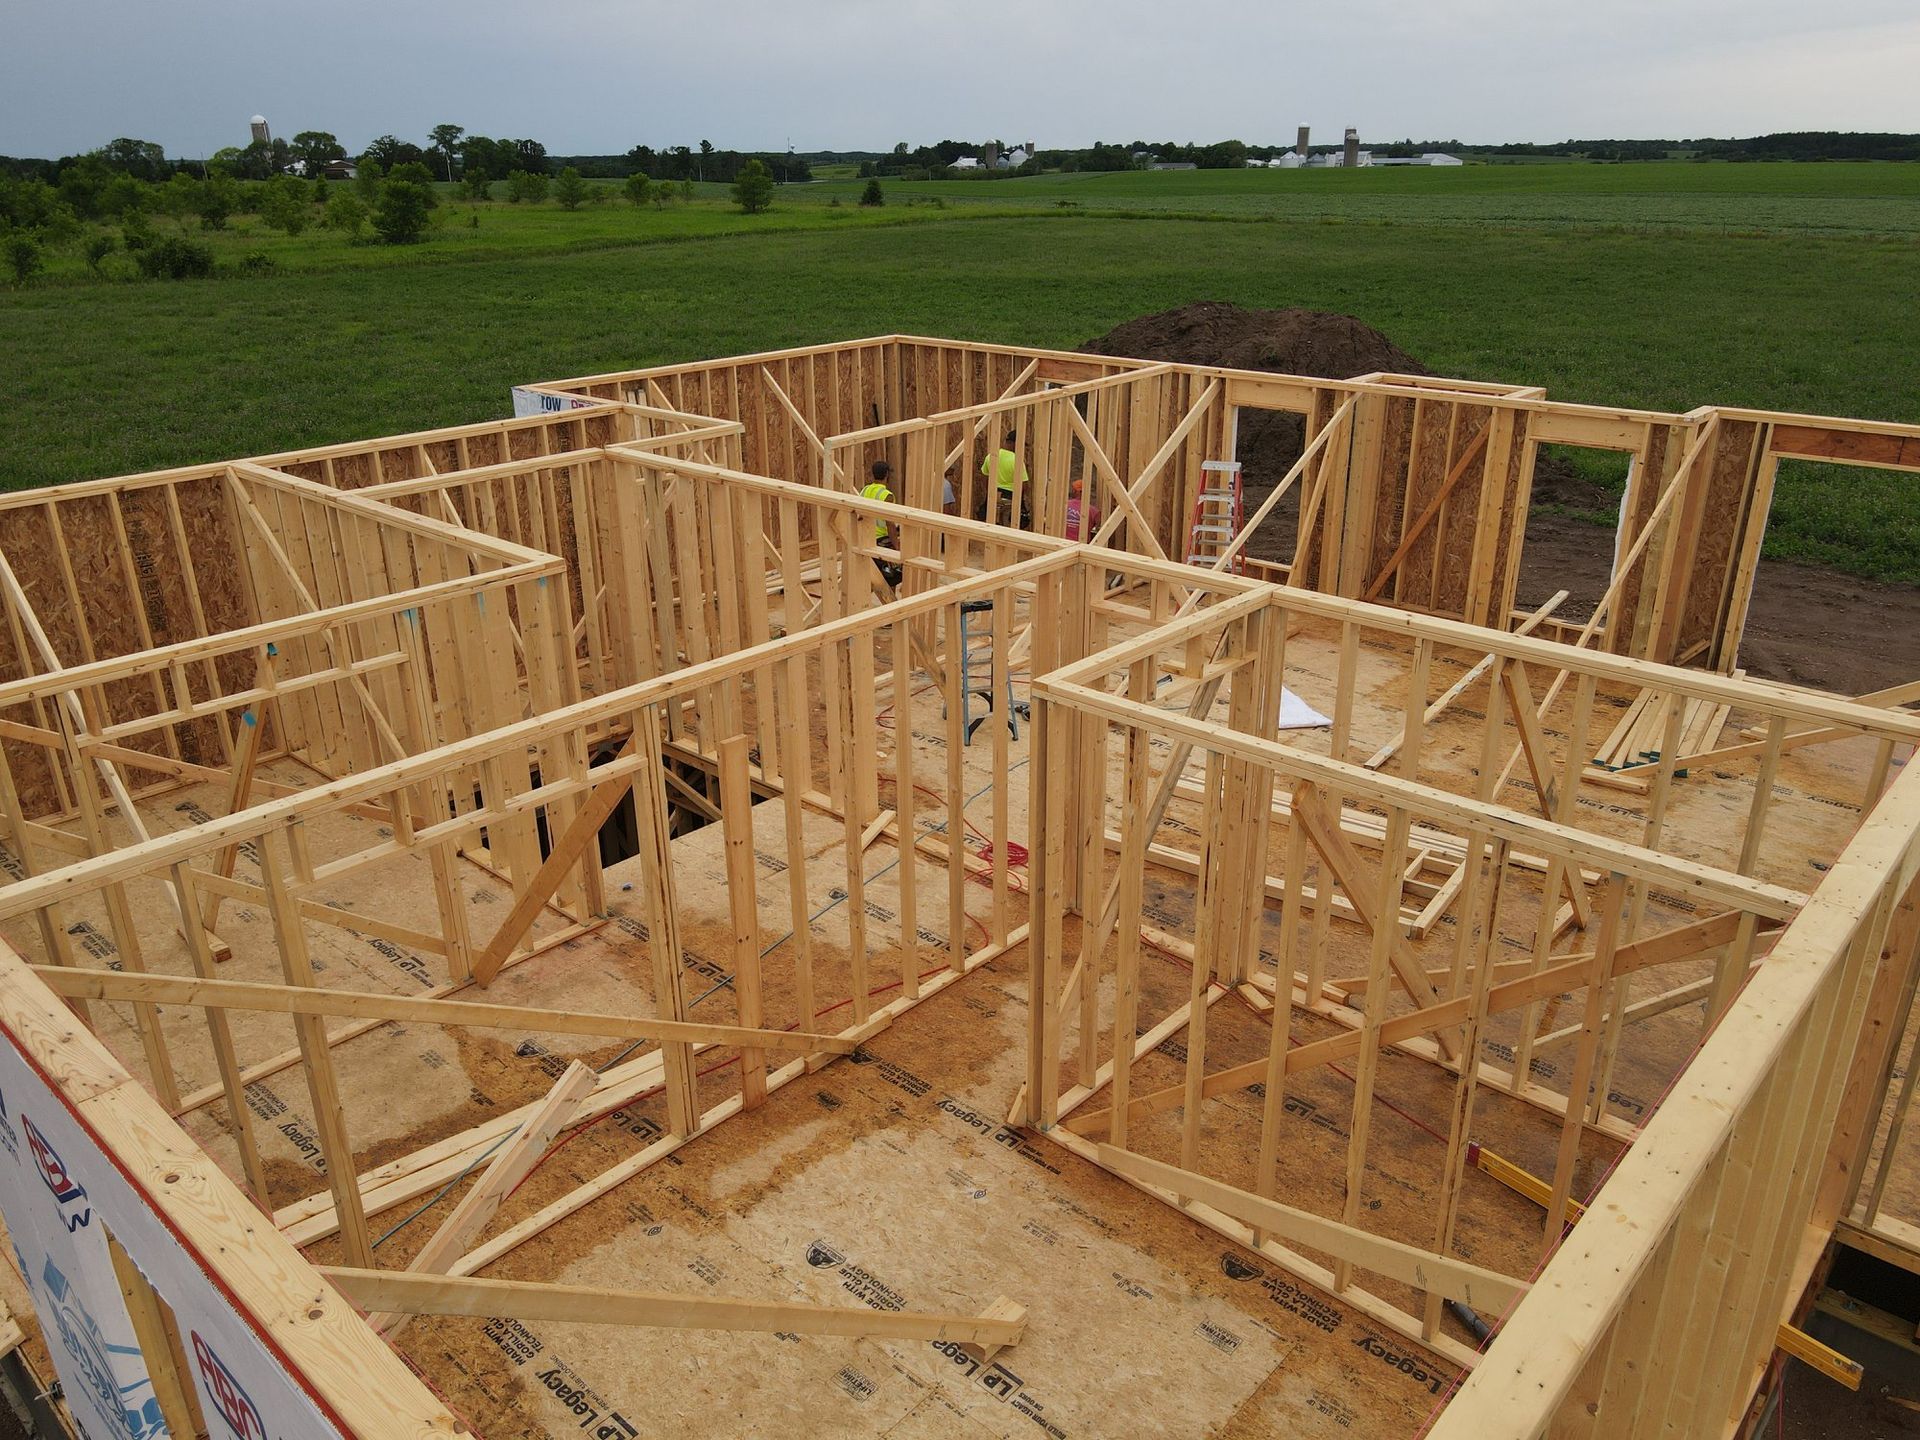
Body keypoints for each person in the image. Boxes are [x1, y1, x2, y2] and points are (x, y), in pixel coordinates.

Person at [862, 459, 903, 590]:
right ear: (887, 475)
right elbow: (890, 524)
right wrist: (896, 547)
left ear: (873, 474)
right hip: (881, 540)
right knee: (895, 573)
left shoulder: (865, 490)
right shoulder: (887, 495)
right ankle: (891, 601)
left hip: (865, 537)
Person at [980, 430, 1030, 528]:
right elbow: (1024, 485)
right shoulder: (1017, 460)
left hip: (993, 497)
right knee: (1009, 529)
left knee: (992, 527)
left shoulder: (991, 456)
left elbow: (985, 478)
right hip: (1010, 498)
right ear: (1013, 443)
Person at [1064, 477, 1101, 541]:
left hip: (1061, 543)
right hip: (1082, 546)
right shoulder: (1094, 511)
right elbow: (1099, 528)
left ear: (1077, 491)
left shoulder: (1064, 505)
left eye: (1073, 489)